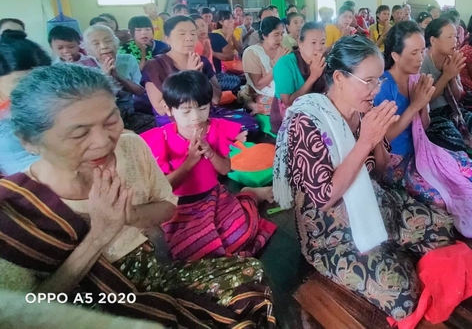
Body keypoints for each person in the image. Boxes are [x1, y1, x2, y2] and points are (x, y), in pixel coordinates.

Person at [0, 64, 275, 327]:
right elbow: (24, 313)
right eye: (79, 134)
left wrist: (129, 215)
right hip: (85, 307)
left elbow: (167, 205)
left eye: (111, 121)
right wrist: (99, 237)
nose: (104, 141)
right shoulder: (14, 209)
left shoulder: (130, 146)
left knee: (251, 274)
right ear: (29, 141)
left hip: (153, 272)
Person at [273, 35, 455, 320]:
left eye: (378, 80)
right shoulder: (308, 121)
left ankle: (391, 245)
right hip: (331, 232)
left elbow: (379, 173)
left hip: (375, 204)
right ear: (340, 78)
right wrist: (363, 142)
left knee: (444, 226)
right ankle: (390, 250)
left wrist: (376, 140)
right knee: (402, 297)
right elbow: (324, 198)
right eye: (368, 81)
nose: (375, 89)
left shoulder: (364, 112)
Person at [374, 22, 472, 238]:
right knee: (439, 198)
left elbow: (424, 127)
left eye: (422, 51)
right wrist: (416, 105)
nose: (420, 58)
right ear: (396, 56)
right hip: (395, 159)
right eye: (414, 52)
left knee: (467, 169)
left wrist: (424, 105)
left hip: (419, 151)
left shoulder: (415, 79)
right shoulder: (383, 87)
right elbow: (385, 137)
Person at [141, 71, 275, 261]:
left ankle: (249, 194)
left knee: (241, 234)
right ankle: (246, 196)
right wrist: (190, 162)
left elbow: (225, 169)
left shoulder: (217, 128)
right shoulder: (162, 138)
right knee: (187, 250)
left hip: (213, 197)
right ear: (169, 110)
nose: (196, 117)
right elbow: (163, 188)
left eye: (202, 108)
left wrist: (211, 154)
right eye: (186, 111)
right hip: (177, 207)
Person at [421, 18, 472, 151]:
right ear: (433, 41)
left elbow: (458, 95)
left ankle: (469, 140)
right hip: (432, 114)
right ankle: (467, 141)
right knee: (454, 140)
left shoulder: (452, 57)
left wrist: (452, 76)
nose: (455, 40)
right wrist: (446, 75)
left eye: (455, 36)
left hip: (453, 110)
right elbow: (426, 100)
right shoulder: (423, 62)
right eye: (449, 37)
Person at [142, 16, 221, 126]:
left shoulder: (202, 61)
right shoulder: (155, 66)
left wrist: (199, 76)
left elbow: (216, 99)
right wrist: (190, 76)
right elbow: (161, 109)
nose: (189, 38)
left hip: (204, 118)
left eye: (193, 34)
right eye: (182, 34)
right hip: (173, 123)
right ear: (167, 39)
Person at [82, 25, 155, 135]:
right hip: (102, 117)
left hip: (129, 112)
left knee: (156, 126)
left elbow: (140, 91)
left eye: (108, 41)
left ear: (116, 43)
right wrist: (104, 76)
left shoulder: (128, 60)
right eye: (96, 44)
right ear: (88, 50)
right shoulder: (84, 68)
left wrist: (117, 76)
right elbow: (88, 103)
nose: (104, 46)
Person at [0, 31, 51, 175]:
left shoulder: (52, 101)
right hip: (21, 189)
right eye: (20, 82)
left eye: (39, 79)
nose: (31, 88)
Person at [272, 22, 326, 132]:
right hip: (290, 117)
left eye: (323, 42)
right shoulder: (285, 64)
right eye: (313, 43)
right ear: (300, 44)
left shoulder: (324, 61)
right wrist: (313, 76)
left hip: (317, 111)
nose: (319, 48)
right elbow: (288, 102)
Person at [241, 16, 289, 115]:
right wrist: (278, 62)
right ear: (264, 35)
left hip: (283, 91)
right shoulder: (252, 52)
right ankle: (250, 104)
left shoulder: (284, 50)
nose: (280, 38)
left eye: (282, 34)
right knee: (284, 109)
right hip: (260, 93)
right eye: (276, 34)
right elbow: (259, 85)